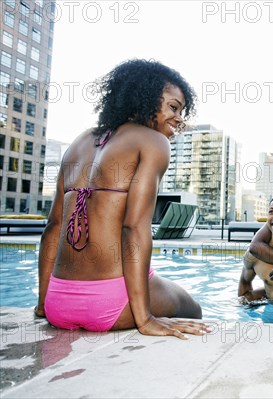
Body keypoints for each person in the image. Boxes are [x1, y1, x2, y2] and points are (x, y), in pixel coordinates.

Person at [36, 59, 210, 339]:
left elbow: (53, 228)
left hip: (58, 304)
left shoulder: (79, 142)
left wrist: (43, 303)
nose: (180, 119)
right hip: (111, 307)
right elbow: (134, 229)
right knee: (193, 308)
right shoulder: (153, 142)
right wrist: (145, 319)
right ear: (146, 98)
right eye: (174, 107)